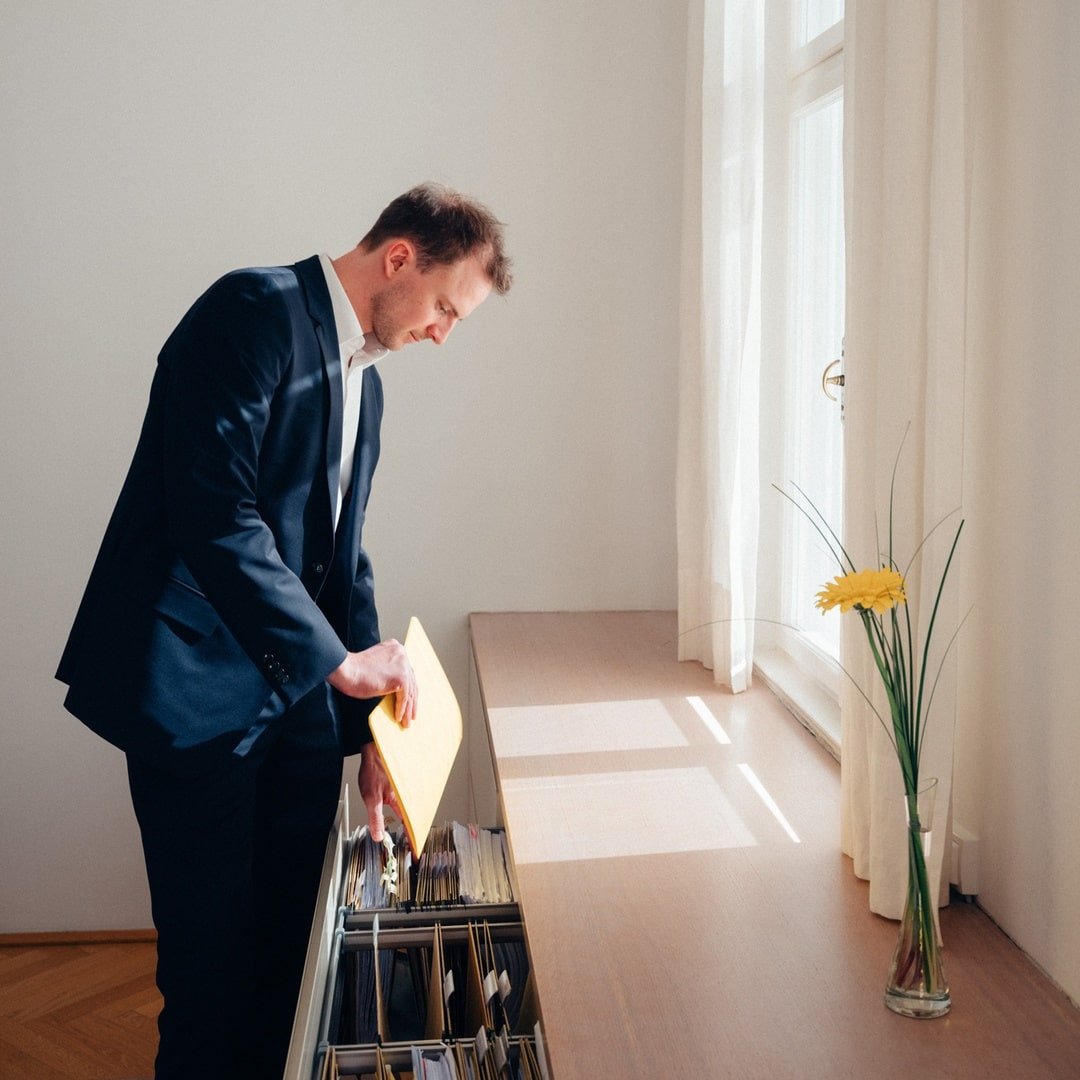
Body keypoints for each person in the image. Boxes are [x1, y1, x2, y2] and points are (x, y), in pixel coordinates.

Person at [55, 182, 512, 1079]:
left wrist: (373, 723)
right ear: (398, 259)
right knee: (207, 973)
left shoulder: (366, 390)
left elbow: (344, 563)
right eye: (446, 308)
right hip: (192, 698)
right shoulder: (250, 309)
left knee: (292, 958)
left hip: (294, 705)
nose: (442, 334)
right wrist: (337, 663)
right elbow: (214, 515)